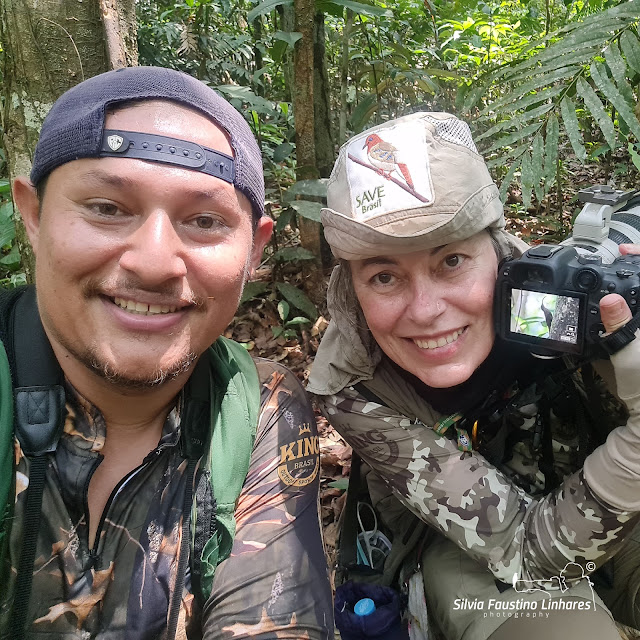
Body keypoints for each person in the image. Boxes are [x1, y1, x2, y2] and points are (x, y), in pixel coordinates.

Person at [0, 66, 333, 640]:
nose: (154, 263)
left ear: (254, 251)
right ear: (32, 214)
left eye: (204, 222)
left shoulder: (257, 411)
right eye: (106, 207)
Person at [307, 111, 640, 640]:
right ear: (350, 287)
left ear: (500, 251)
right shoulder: (356, 383)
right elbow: (526, 556)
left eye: (452, 261)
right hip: (467, 548)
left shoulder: (559, 308)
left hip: (600, 485)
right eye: (384, 275)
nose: (425, 310)